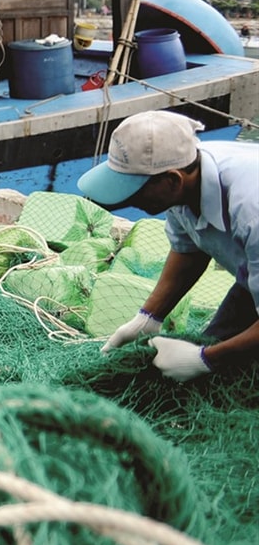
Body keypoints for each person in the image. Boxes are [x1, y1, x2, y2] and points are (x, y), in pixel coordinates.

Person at [81, 110, 259, 380]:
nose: (130, 201)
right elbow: (189, 249)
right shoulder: (185, 179)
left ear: (172, 181)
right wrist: (148, 318)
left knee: (221, 365)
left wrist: (204, 360)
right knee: (214, 358)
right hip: (251, 275)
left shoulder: (251, 210)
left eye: (136, 190)